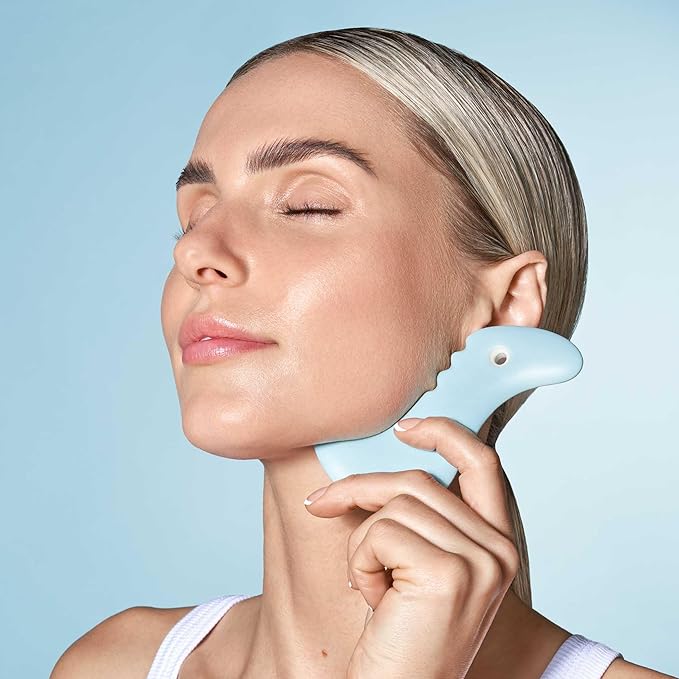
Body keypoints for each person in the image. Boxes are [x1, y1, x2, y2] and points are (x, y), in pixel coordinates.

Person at [51, 27, 674, 679]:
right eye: (194, 215)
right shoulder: (111, 665)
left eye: (307, 206)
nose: (194, 251)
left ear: (504, 306)